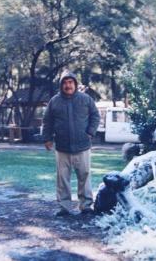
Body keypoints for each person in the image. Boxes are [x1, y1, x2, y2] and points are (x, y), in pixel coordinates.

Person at [42, 70, 100, 216]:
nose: (68, 85)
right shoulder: (54, 101)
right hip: (62, 147)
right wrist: (47, 138)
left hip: (83, 146)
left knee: (84, 175)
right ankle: (64, 207)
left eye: (70, 82)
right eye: (65, 83)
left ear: (75, 83)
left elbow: (95, 116)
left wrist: (90, 132)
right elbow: (47, 121)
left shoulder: (86, 99)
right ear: (61, 85)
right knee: (62, 178)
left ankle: (86, 206)